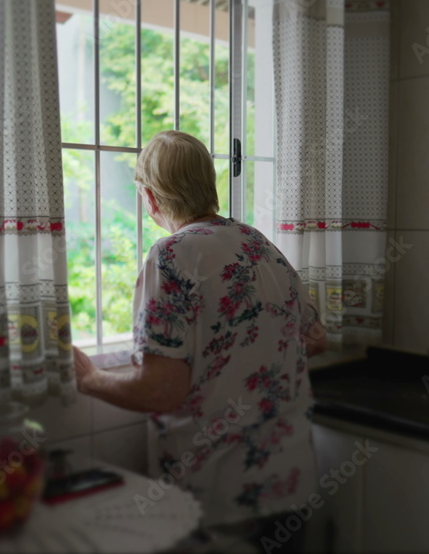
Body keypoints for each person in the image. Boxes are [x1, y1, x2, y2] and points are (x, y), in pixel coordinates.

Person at [73, 130, 326, 552]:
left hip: (218, 498)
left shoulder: (172, 256)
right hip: (288, 481)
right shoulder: (258, 243)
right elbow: (316, 339)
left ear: (150, 196)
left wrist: (90, 378)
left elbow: (161, 389)